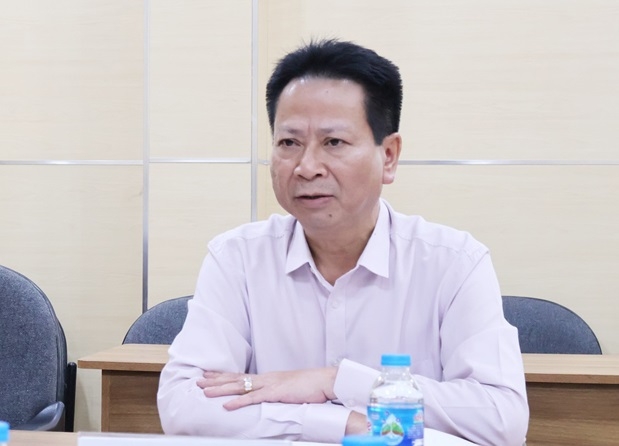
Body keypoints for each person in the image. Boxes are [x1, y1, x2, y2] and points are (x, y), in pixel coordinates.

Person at [157, 39, 529, 445]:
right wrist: (343, 423)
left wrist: (337, 382)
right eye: (289, 143)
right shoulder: (238, 259)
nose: (306, 167)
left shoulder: (453, 262)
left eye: (333, 142)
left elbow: (502, 418)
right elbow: (183, 406)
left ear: (389, 156)